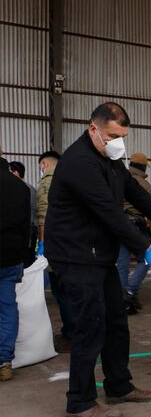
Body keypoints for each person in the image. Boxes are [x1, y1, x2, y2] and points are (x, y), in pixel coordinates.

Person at [45, 102, 151, 417]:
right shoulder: (80, 162)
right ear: (93, 128)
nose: (117, 142)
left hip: (98, 255)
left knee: (116, 322)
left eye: (122, 136)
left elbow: (134, 191)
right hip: (75, 256)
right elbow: (109, 211)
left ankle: (119, 385)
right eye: (112, 135)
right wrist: (145, 247)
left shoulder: (109, 158)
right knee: (90, 327)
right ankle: (79, 402)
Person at [37, 150, 74, 350]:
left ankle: (71, 331)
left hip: (55, 245)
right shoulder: (71, 179)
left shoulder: (47, 182)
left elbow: (43, 215)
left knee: (61, 291)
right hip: (74, 244)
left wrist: (42, 244)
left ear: (44, 165)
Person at [0, 153, 32, 381]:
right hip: (11, 256)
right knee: (7, 308)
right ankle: (4, 362)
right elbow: (26, 224)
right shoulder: (19, 186)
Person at [116, 153, 151, 314]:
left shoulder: (118, 179)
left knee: (122, 264)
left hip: (119, 225)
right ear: (144, 167)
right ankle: (130, 292)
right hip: (136, 225)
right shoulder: (144, 184)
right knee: (147, 259)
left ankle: (123, 300)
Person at [9, 161, 38, 267]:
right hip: (29, 230)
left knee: (26, 262)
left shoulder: (24, 189)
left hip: (28, 230)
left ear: (16, 172)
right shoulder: (30, 188)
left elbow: (29, 213)